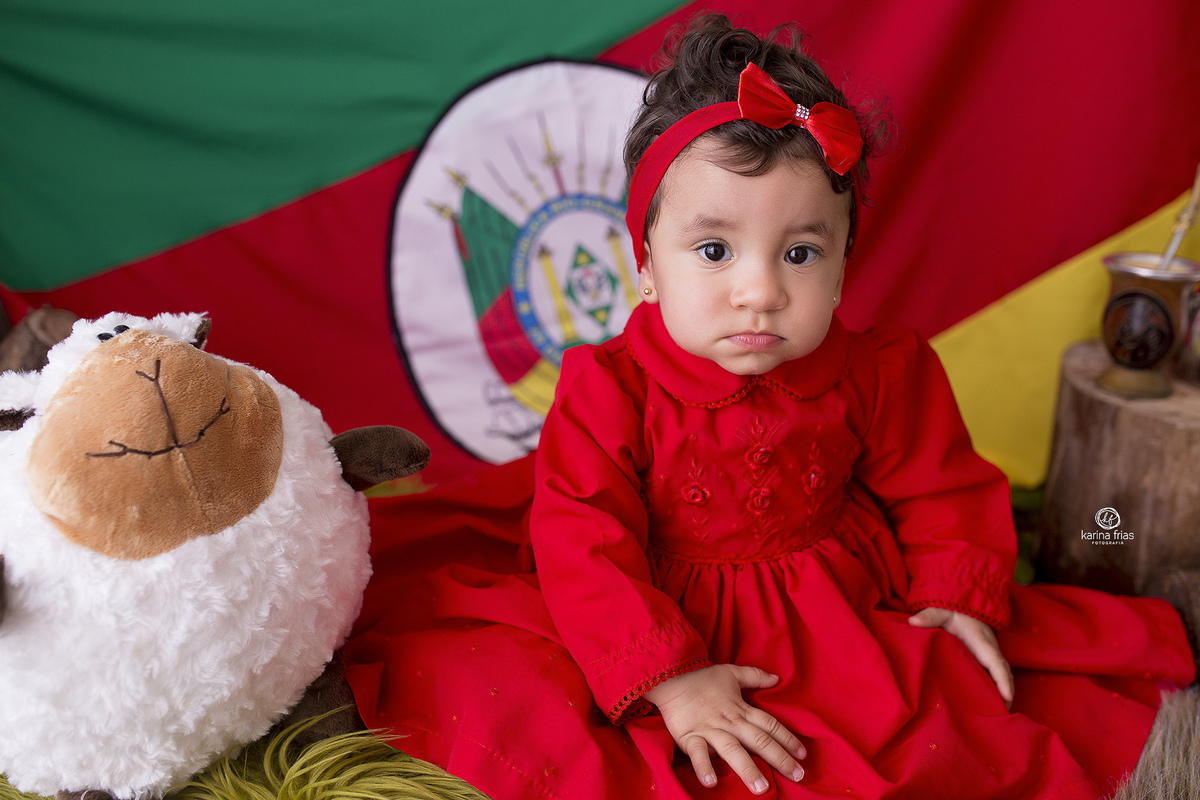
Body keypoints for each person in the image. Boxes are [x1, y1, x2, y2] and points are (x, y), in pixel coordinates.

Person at [345, 15, 1194, 799]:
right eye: (714, 250)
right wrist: (670, 680)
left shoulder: (876, 372)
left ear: (842, 266)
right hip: (653, 601)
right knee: (530, 723)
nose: (758, 291)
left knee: (921, 738)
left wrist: (957, 593)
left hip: (831, 603)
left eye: (799, 252)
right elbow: (585, 540)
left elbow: (943, 487)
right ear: (645, 267)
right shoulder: (610, 388)